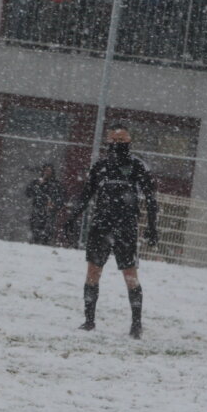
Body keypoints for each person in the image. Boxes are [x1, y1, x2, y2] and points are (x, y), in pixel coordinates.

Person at [62, 124, 159, 339]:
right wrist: (71, 219)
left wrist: (152, 227)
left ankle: (136, 324)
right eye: (114, 142)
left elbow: (151, 199)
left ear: (129, 143)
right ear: (108, 143)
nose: (118, 145)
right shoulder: (100, 167)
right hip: (101, 225)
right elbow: (85, 195)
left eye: (122, 141)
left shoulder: (137, 166)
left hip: (126, 227)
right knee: (93, 271)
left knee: (130, 274)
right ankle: (89, 321)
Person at [24, 163, 65, 245]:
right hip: (37, 209)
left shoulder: (56, 184)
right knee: (36, 230)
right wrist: (37, 185)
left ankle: (45, 244)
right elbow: (28, 193)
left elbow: (61, 198)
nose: (47, 172)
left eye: (49, 170)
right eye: (45, 170)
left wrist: (54, 204)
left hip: (50, 212)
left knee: (48, 232)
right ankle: (35, 243)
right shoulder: (37, 182)